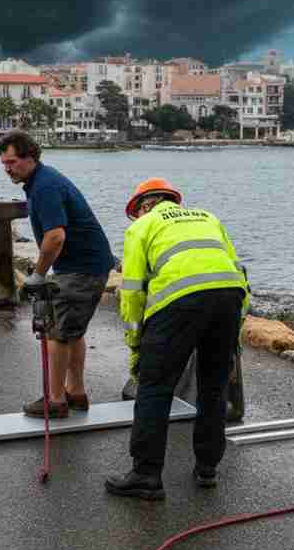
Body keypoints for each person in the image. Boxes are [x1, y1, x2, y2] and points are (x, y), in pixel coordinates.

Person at [104, 179, 249, 500]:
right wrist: (235, 332)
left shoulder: (142, 227)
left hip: (178, 303)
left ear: (143, 206)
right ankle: (207, 468)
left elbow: (132, 292)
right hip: (229, 299)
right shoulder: (208, 217)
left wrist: (135, 347)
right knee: (214, 386)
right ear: (173, 201)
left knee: (154, 388)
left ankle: (146, 475)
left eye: (136, 213)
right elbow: (238, 271)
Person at [0, 131, 115, 419]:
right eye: (4, 163)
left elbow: (55, 237)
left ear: (30, 157)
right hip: (89, 265)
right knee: (73, 332)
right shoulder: (42, 180)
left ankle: (56, 400)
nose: (7, 169)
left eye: (12, 162)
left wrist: (38, 275)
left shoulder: (45, 187)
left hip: (81, 269)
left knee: (57, 333)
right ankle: (76, 393)